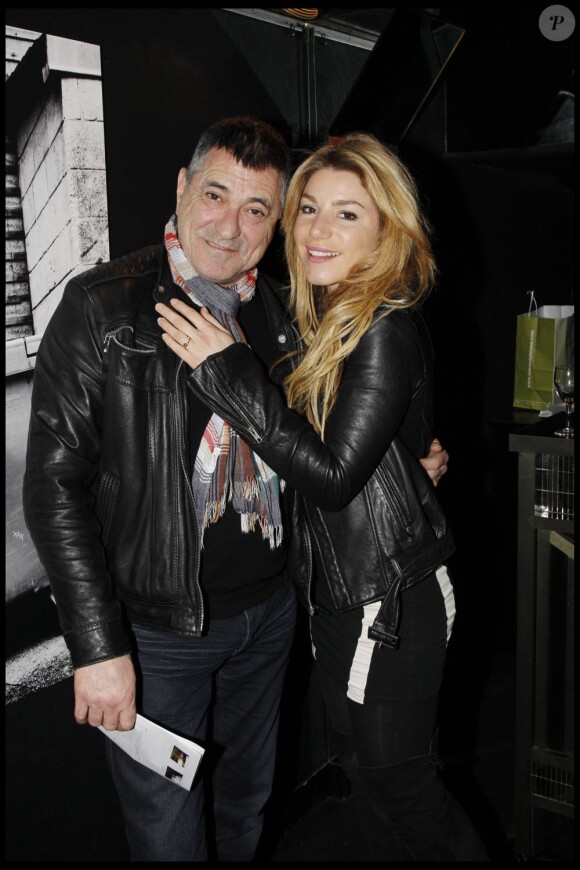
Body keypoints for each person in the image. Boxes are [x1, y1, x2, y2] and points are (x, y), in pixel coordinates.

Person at [23, 117, 448, 863]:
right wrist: (97, 645)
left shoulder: (282, 312)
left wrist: (408, 466)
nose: (231, 224)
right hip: (158, 634)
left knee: (247, 809)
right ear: (183, 189)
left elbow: (327, 444)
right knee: (168, 836)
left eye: (258, 208)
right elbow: (55, 489)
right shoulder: (102, 308)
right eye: (215, 195)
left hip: (272, 615)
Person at [155, 131, 489, 861]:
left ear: (387, 230)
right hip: (353, 594)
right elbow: (384, 443)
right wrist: (415, 466)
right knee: (372, 785)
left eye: (347, 214)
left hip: (388, 603)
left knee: (402, 793)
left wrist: (230, 373)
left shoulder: (381, 326)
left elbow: (334, 476)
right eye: (308, 209)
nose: (318, 229)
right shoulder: (330, 322)